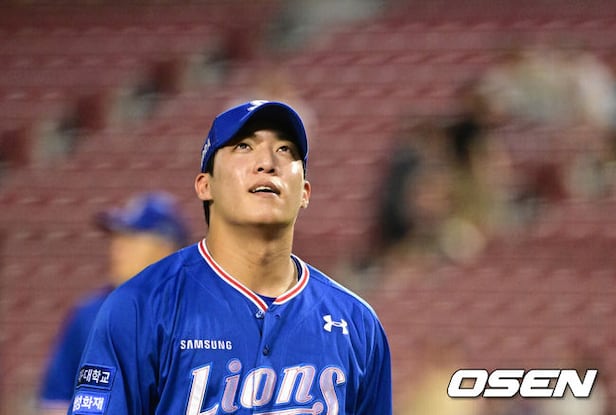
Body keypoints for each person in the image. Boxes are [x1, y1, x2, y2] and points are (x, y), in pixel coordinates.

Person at [67, 100, 393, 414]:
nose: (267, 163)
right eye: (244, 147)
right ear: (204, 185)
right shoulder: (139, 306)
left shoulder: (357, 323)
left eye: (285, 150)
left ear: (305, 192)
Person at [38, 191, 190, 415]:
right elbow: (57, 401)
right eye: (116, 239)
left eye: (130, 239)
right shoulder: (90, 313)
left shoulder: (200, 311)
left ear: (165, 248)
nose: (117, 249)